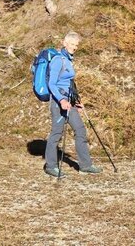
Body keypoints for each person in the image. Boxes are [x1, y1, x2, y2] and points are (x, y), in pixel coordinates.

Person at [44, 31, 102, 177]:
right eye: (71, 44)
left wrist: (76, 103)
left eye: (76, 45)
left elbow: (70, 84)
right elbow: (52, 84)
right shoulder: (58, 60)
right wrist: (62, 100)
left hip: (69, 102)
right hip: (58, 103)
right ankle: (51, 166)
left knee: (80, 130)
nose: (74, 47)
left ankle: (85, 166)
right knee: (56, 133)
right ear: (64, 43)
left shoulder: (69, 60)